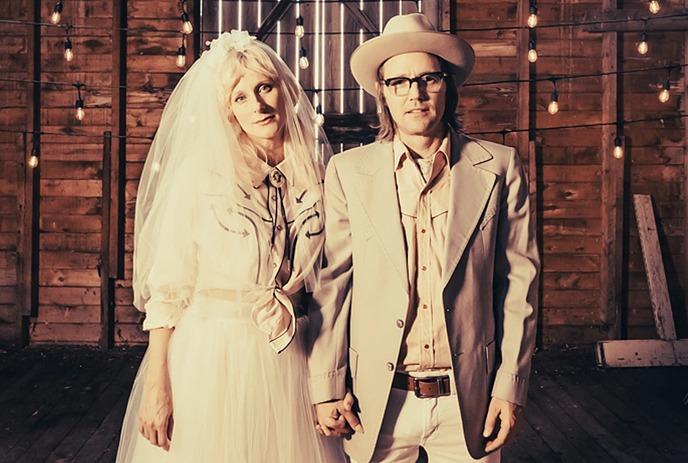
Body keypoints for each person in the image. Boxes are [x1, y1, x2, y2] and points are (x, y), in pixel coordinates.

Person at [308, 13, 540, 463]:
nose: (414, 94)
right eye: (398, 83)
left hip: (469, 399)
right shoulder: (348, 172)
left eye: (427, 79)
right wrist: (326, 386)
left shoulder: (500, 167)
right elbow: (333, 286)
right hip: (378, 400)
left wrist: (511, 387)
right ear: (384, 95)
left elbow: (519, 287)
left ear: (447, 85)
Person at [116, 30, 343, 462]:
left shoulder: (318, 178)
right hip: (212, 356)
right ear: (227, 110)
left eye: (264, 87)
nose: (256, 105)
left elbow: (334, 280)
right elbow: (169, 289)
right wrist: (157, 385)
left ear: (284, 90)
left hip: (293, 352)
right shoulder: (201, 179)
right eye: (239, 97)